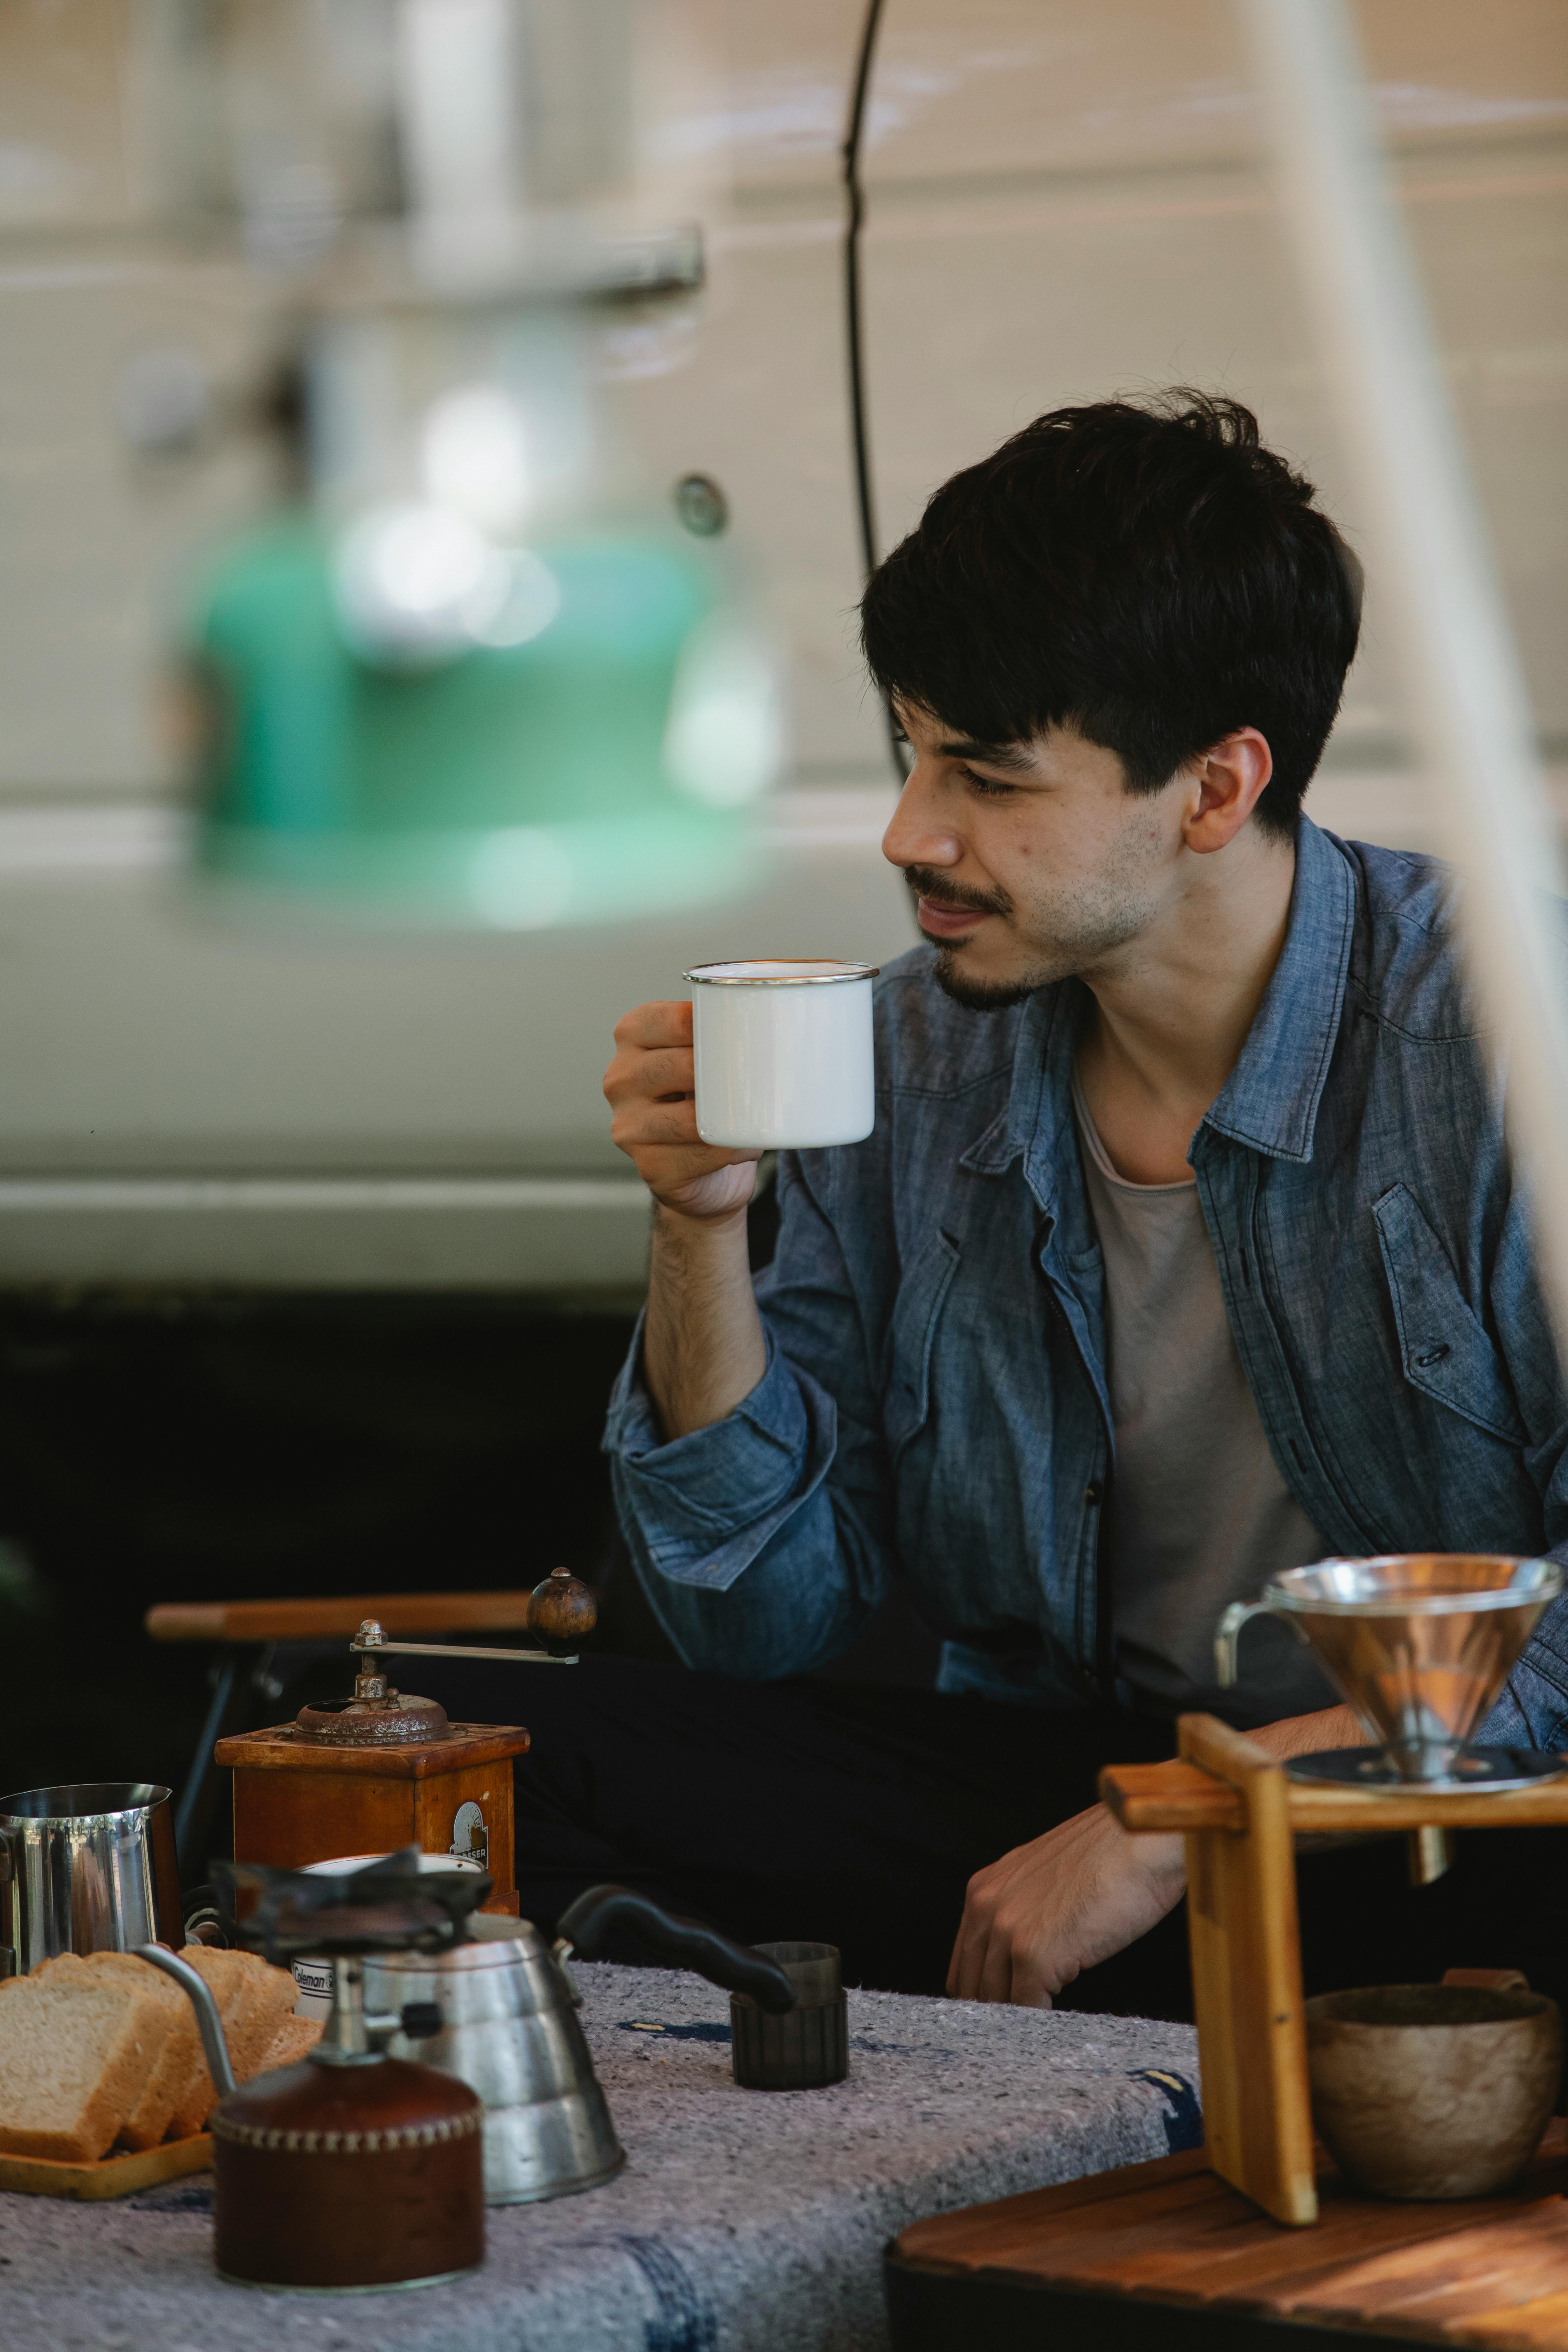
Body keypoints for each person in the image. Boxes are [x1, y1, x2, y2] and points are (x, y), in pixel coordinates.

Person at [442, 391, 1568, 2015]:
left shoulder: (1506, 1039)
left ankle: (1017, 2080)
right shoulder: (905, 1051)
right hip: (1061, 1800)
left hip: (1438, 1825)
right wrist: (697, 1229)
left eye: (987, 774)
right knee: (491, 1763)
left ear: (1211, 787)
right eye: (912, 752)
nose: (914, 833)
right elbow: (761, 1626)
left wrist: (1190, 1818)